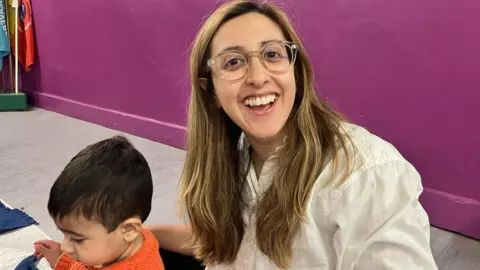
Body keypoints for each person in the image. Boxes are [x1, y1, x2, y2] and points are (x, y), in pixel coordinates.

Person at [147, 1, 438, 269]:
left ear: (295, 72)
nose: (258, 77)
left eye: (272, 54)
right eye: (234, 62)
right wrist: (147, 235)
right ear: (211, 92)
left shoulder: (368, 175)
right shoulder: (232, 158)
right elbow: (230, 246)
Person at [33, 136, 165, 269]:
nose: (65, 247)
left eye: (77, 239)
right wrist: (61, 260)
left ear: (129, 229)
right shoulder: (126, 244)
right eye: (65, 235)